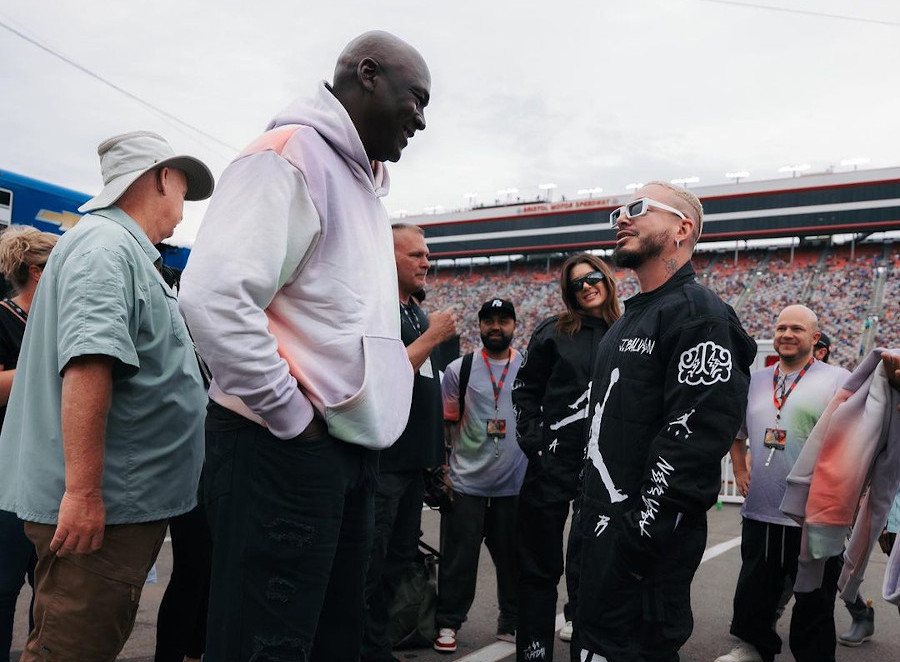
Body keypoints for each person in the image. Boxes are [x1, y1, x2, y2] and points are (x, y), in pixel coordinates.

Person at [178, 31, 430, 662]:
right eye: (416, 98)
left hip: (338, 451)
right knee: (266, 641)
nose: (422, 120)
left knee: (328, 639)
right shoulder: (288, 156)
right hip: (283, 448)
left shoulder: (361, 182)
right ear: (367, 74)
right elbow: (212, 297)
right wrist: (292, 417)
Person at [0, 130, 213, 661]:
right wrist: (85, 492)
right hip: (109, 503)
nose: (183, 211)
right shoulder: (107, 247)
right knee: (72, 647)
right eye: (183, 192)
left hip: (121, 499)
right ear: (162, 177)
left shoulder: (117, 247)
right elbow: (88, 365)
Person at [575, 182, 755, 662]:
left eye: (636, 209)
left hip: (637, 555)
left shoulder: (700, 318)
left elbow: (689, 445)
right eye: (617, 210)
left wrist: (634, 543)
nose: (621, 219)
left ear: (683, 229)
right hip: (597, 538)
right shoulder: (627, 320)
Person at [717, 305, 850, 662]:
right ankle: (754, 647)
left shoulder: (838, 379)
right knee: (755, 587)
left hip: (813, 511)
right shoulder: (758, 379)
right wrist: (740, 470)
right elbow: (738, 434)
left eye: (797, 329)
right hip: (761, 507)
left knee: (815, 595)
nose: (787, 334)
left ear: (814, 338)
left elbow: (853, 440)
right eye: (781, 328)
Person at [512, 253, 621, 662]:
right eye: (576, 283)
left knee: (593, 567)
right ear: (568, 292)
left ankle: (588, 650)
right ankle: (534, 651)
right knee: (539, 567)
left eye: (593, 277)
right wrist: (534, 442)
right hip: (552, 466)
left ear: (607, 279)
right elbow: (525, 391)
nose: (586, 286)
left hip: (606, 471)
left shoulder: (629, 332)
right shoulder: (553, 333)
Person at [361, 224, 458, 662]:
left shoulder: (418, 312)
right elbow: (380, 377)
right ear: (387, 256)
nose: (426, 261)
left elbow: (427, 390)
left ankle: (378, 644)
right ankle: (364, 648)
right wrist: (433, 337)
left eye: (427, 254)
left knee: (398, 563)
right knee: (369, 565)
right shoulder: (376, 308)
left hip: (414, 463)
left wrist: (436, 461)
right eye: (415, 254)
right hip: (383, 462)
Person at [434, 298, 527, 653]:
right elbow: (447, 421)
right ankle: (448, 623)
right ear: (480, 326)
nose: (496, 327)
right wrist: (443, 468)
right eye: (489, 320)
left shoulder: (530, 367)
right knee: (459, 559)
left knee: (512, 557)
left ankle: (512, 620)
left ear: (514, 325)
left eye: (503, 320)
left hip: (514, 482)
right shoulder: (460, 368)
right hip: (466, 481)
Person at [0, 226, 57, 662]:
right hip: (7, 477)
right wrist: (53, 370)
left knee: (52, 594)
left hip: (54, 475)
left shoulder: (61, 320)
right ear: (38, 271)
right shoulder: (3, 317)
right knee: (2, 587)